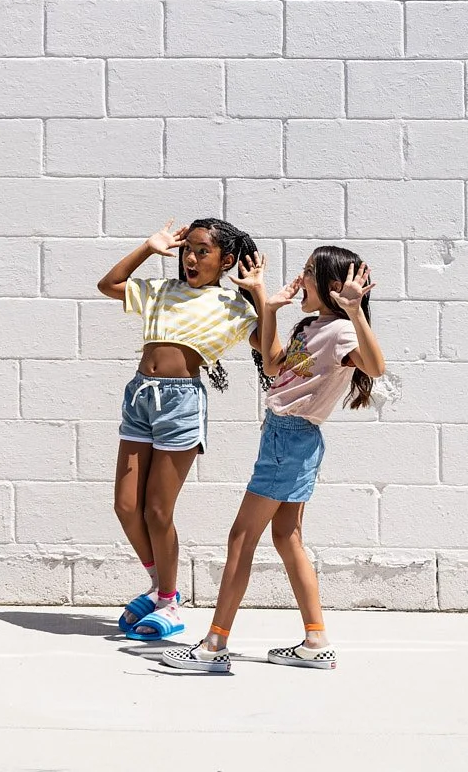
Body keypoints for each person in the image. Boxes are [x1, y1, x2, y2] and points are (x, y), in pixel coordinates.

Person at [159, 243, 385, 676]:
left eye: (308, 273)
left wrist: (355, 312)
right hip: (285, 438)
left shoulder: (341, 330)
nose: (300, 279)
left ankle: (214, 644)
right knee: (287, 537)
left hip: (292, 440)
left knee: (241, 538)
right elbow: (274, 362)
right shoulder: (309, 326)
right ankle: (315, 641)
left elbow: (374, 368)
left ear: (334, 287)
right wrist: (268, 304)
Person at [96, 216, 262, 642]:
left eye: (202, 251)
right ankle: (159, 587)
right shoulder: (163, 291)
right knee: (126, 507)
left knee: (157, 511)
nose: (190, 257)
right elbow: (108, 284)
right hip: (139, 397)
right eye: (188, 249)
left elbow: (267, 346)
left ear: (226, 260)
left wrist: (257, 293)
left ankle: (169, 601)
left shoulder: (233, 307)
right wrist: (149, 248)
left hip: (180, 403)